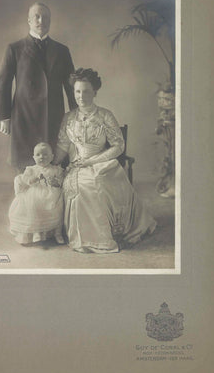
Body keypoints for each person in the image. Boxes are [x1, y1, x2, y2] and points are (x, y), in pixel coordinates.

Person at [54, 68, 157, 254]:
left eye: (86, 91)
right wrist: (52, 165)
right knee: (82, 186)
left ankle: (107, 235)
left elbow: (118, 146)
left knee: (98, 181)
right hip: (77, 164)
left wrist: (94, 161)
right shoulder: (69, 118)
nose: (81, 96)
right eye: (77, 91)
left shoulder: (105, 115)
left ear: (94, 92)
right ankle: (86, 237)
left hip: (102, 162)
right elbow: (62, 146)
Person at [0, 2, 76, 172]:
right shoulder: (15, 49)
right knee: (25, 165)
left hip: (53, 114)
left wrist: (76, 114)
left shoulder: (62, 51)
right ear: (29, 21)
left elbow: (71, 86)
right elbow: (3, 83)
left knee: (54, 163)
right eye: (37, 17)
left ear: (50, 21)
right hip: (25, 115)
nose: (41, 20)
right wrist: (4, 116)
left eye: (45, 17)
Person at [9, 142, 65, 245]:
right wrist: (31, 180)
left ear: (52, 157)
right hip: (35, 192)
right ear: (34, 157)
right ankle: (36, 232)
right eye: (38, 155)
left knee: (58, 204)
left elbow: (61, 181)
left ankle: (57, 233)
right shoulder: (31, 169)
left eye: (45, 154)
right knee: (32, 204)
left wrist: (55, 182)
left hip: (51, 194)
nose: (42, 157)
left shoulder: (56, 170)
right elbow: (24, 179)